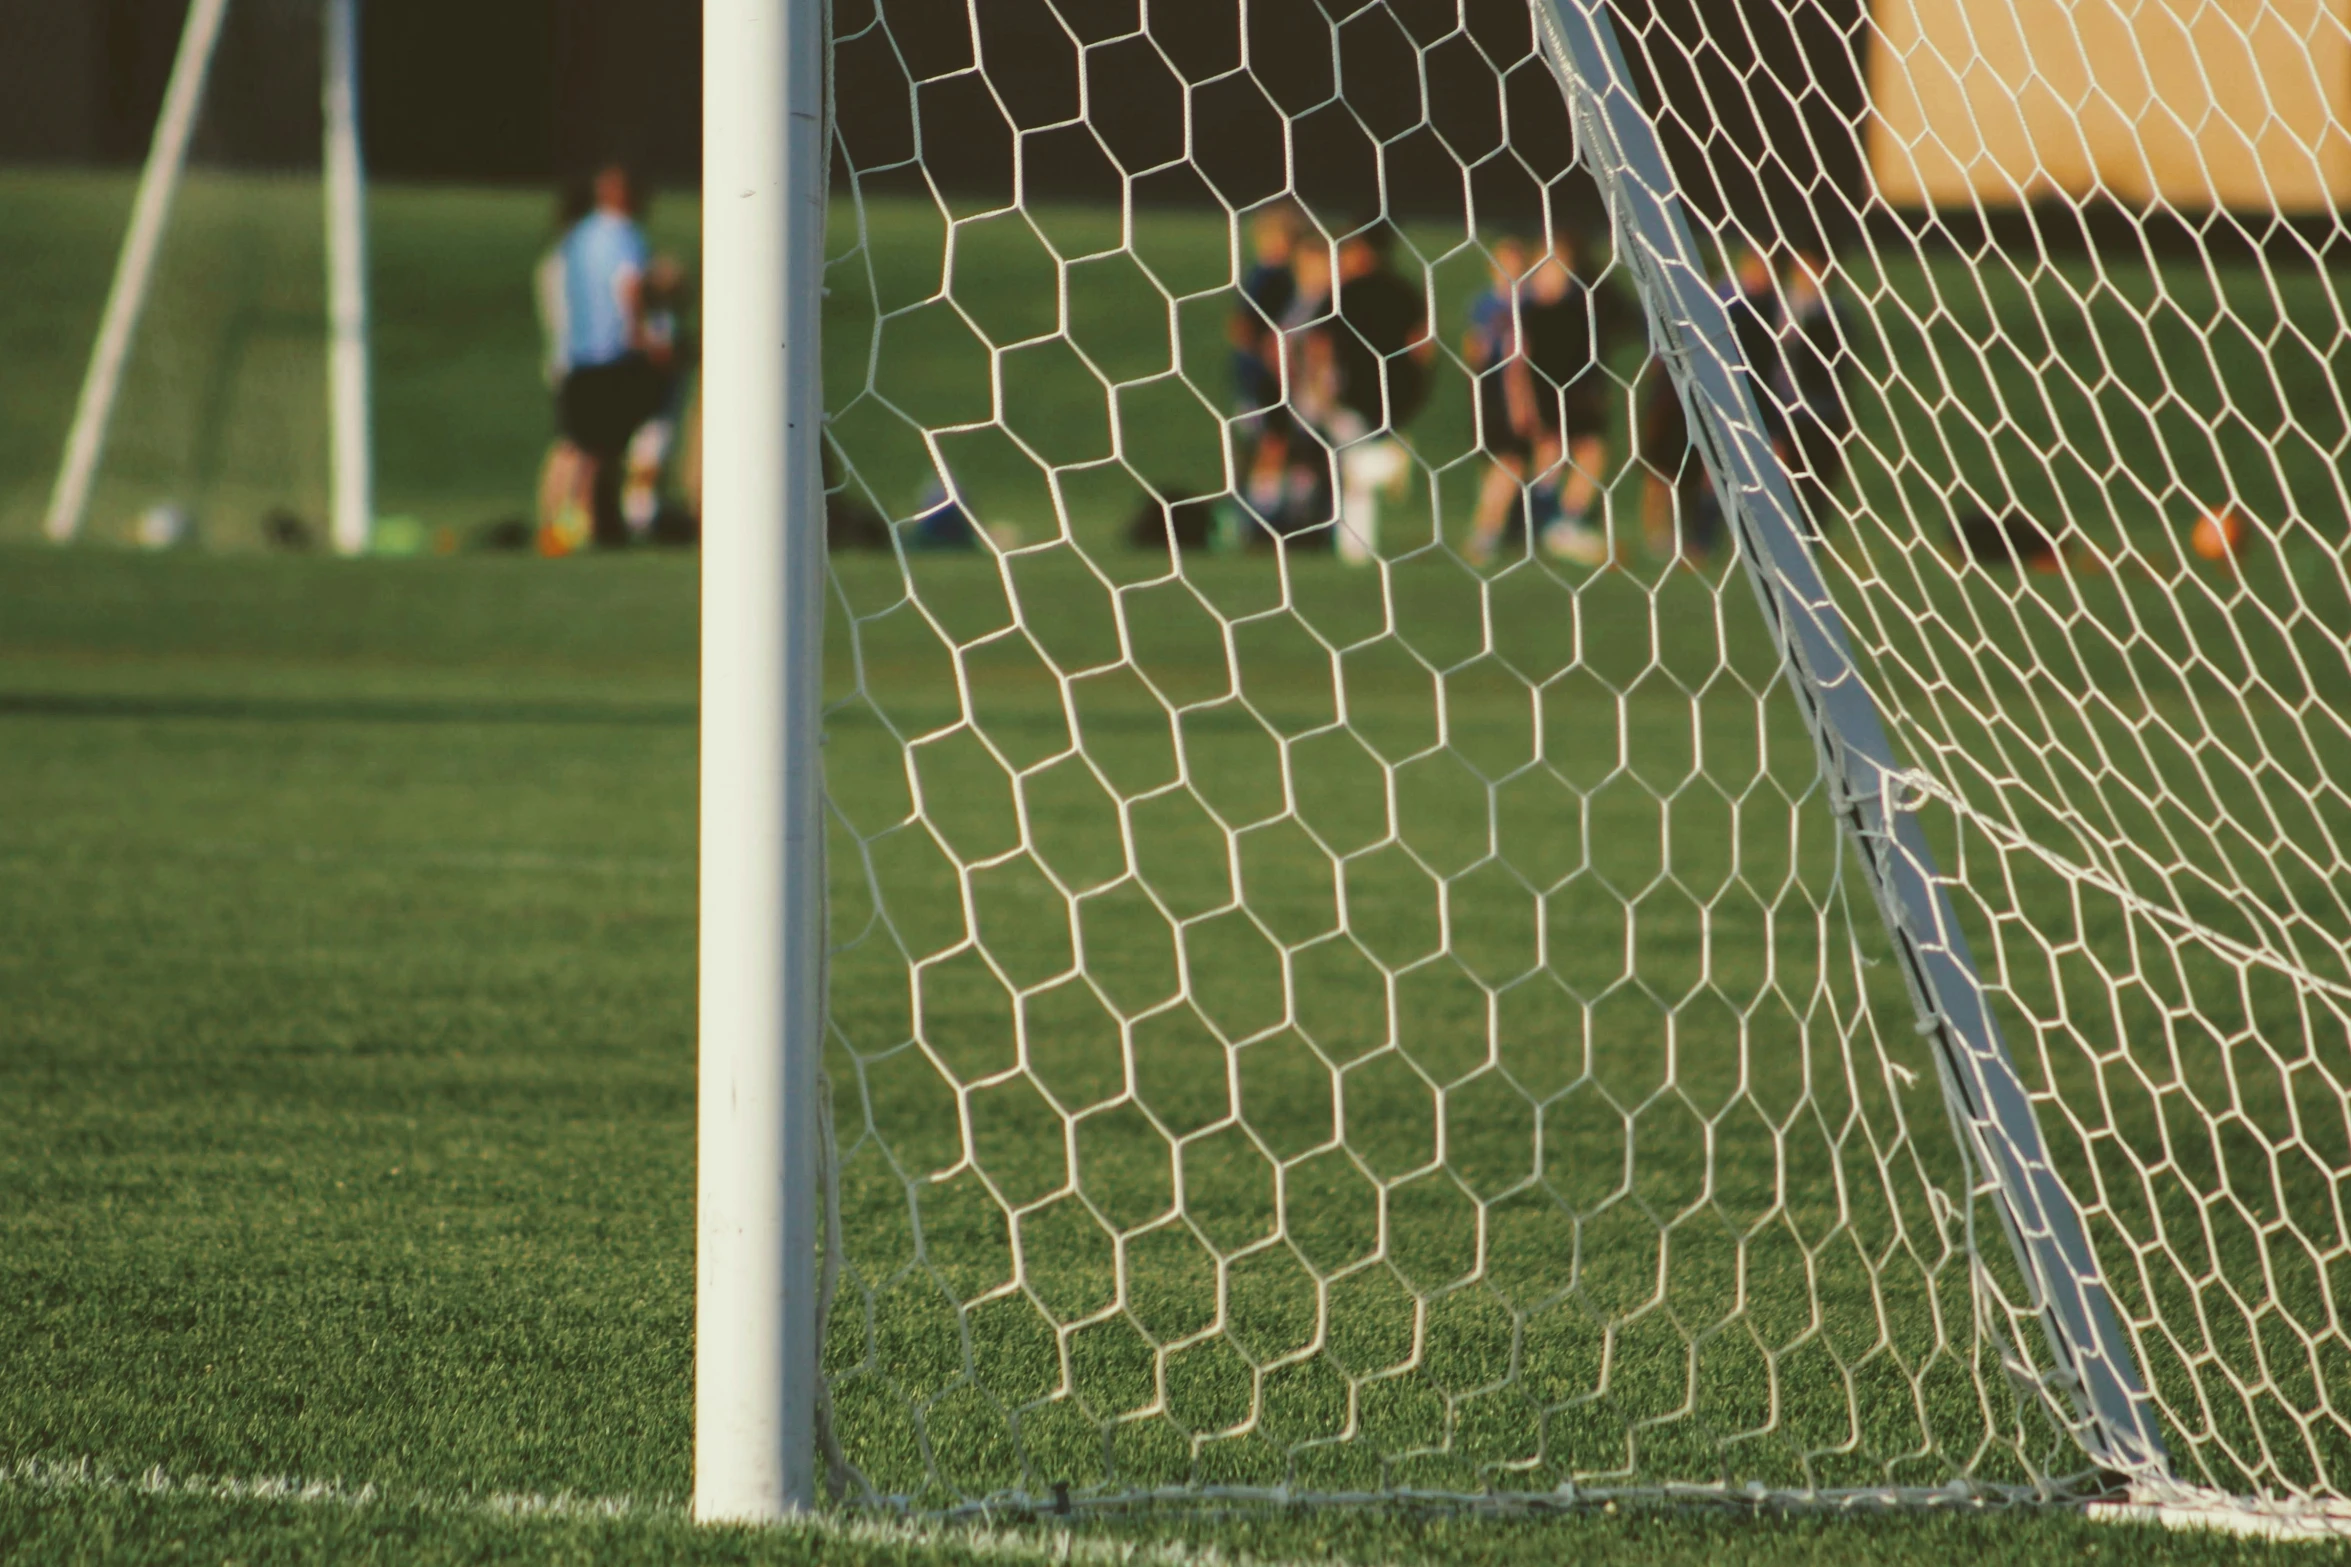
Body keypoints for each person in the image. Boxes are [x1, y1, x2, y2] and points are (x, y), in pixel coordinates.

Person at [543, 162, 671, 554]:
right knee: (617, 444)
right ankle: (600, 523)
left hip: (576, 356)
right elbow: (628, 285)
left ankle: (562, 526)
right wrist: (643, 336)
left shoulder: (577, 237)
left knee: (577, 447)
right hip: (611, 356)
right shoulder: (623, 235)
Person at [1289, 224, 1432, 562]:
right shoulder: (1405, 291)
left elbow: (1318, 345)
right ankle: (1355, 549)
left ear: (1364, 251)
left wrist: (1319, 390)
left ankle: (1387, 465)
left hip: (1348, 394)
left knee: (1351, 467)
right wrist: (1414, 391)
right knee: (1348, 467)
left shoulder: (1343, 291)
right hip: (1392, 395)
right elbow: (1422, 346)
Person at [1509, 232, 1611, 565]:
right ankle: (1540, 527)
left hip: (1578, 395)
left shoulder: (1580, 305)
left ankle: (1563, 522)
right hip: (1544, 396)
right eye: (1547, 264)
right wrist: (1522, 403)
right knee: (1549, 459)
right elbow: (1518, 362)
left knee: (1591, 454)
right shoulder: (1528, 309)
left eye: (1559, 264)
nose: (1552, 271)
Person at [1463, 236, 1531, 564]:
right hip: (1495, 388)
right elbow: (1474, 350)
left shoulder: (1528, 301)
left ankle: (1504, 530)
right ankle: (1484, 534)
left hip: (1525, 387)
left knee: (1512, 464)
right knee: (1507, 462)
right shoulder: (1486, 304)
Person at [1776, 247, 1851, 540]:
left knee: (1817, 482)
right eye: (1804, 269)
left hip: (1822, 412)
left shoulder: (1837, 312)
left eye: (1817, 270)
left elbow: (1843, 369)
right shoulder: (1780, 306)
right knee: (1781, 479)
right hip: (1785, 409)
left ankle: (1811, 539)